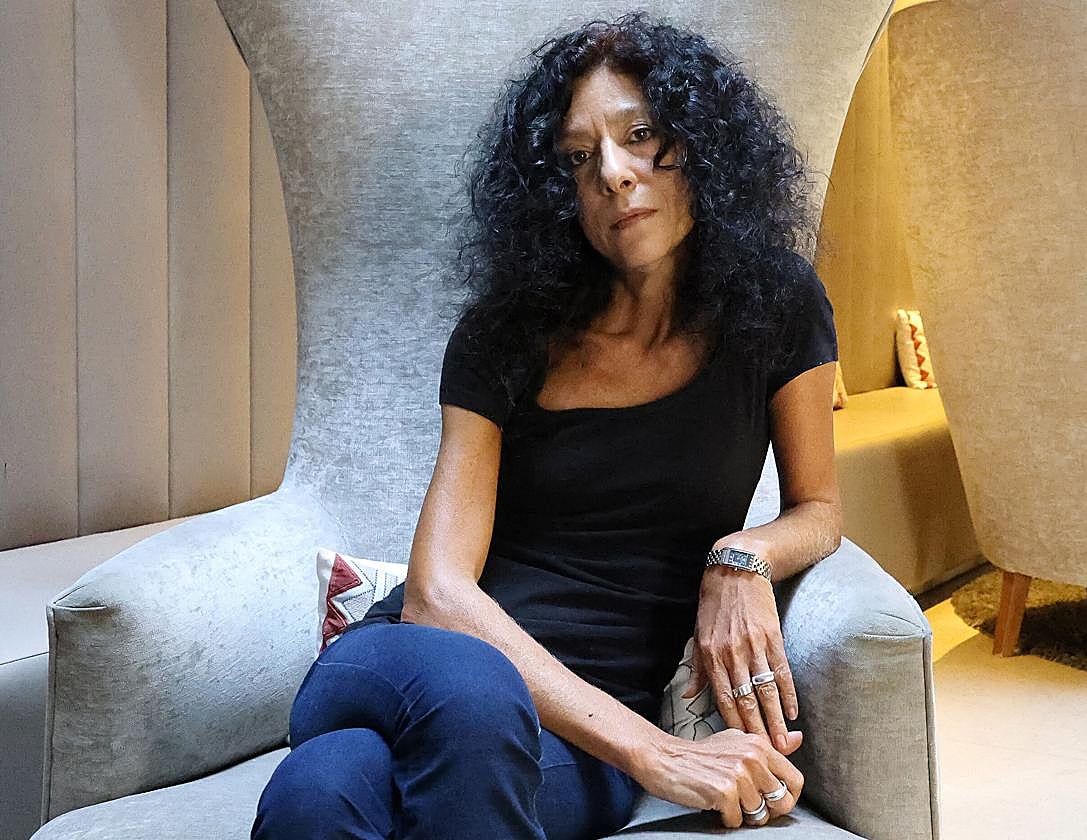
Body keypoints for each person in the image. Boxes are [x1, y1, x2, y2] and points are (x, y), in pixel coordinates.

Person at [252, 10, 841, 840]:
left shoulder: (776, 306)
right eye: (576, 157)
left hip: (579, 731)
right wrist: (658, 752)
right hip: (412, 664)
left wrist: (740, 560)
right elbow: (437, 595)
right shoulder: (505, 336)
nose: (614, 174)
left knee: (320, 790)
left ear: (702, 143)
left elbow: (819, 509)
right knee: (474, 697)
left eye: (640, 136)